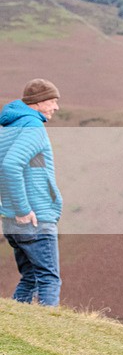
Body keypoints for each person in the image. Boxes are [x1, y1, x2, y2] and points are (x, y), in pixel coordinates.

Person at [0, 79, 63, 306]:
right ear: (37, 103)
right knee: (49, 279)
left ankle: (12, 326)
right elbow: (10, 166)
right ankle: (49, 334)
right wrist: (23, 210)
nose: (56, 107)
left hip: (11, 220)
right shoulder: (33, 127)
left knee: (30, 278)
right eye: (52, 101)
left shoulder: (9, 128)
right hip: (33, 218)